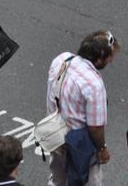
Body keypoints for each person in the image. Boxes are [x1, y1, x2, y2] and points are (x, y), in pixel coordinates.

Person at [46, 31, 120, 186]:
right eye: (109, 58)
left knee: (57, 179)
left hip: (54, 134)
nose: (111, 60)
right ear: (99, 58)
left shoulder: (62, 59)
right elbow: (95, 127)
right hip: (78, 145)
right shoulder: (93, 84)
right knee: (88, 180)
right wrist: (102, 148)